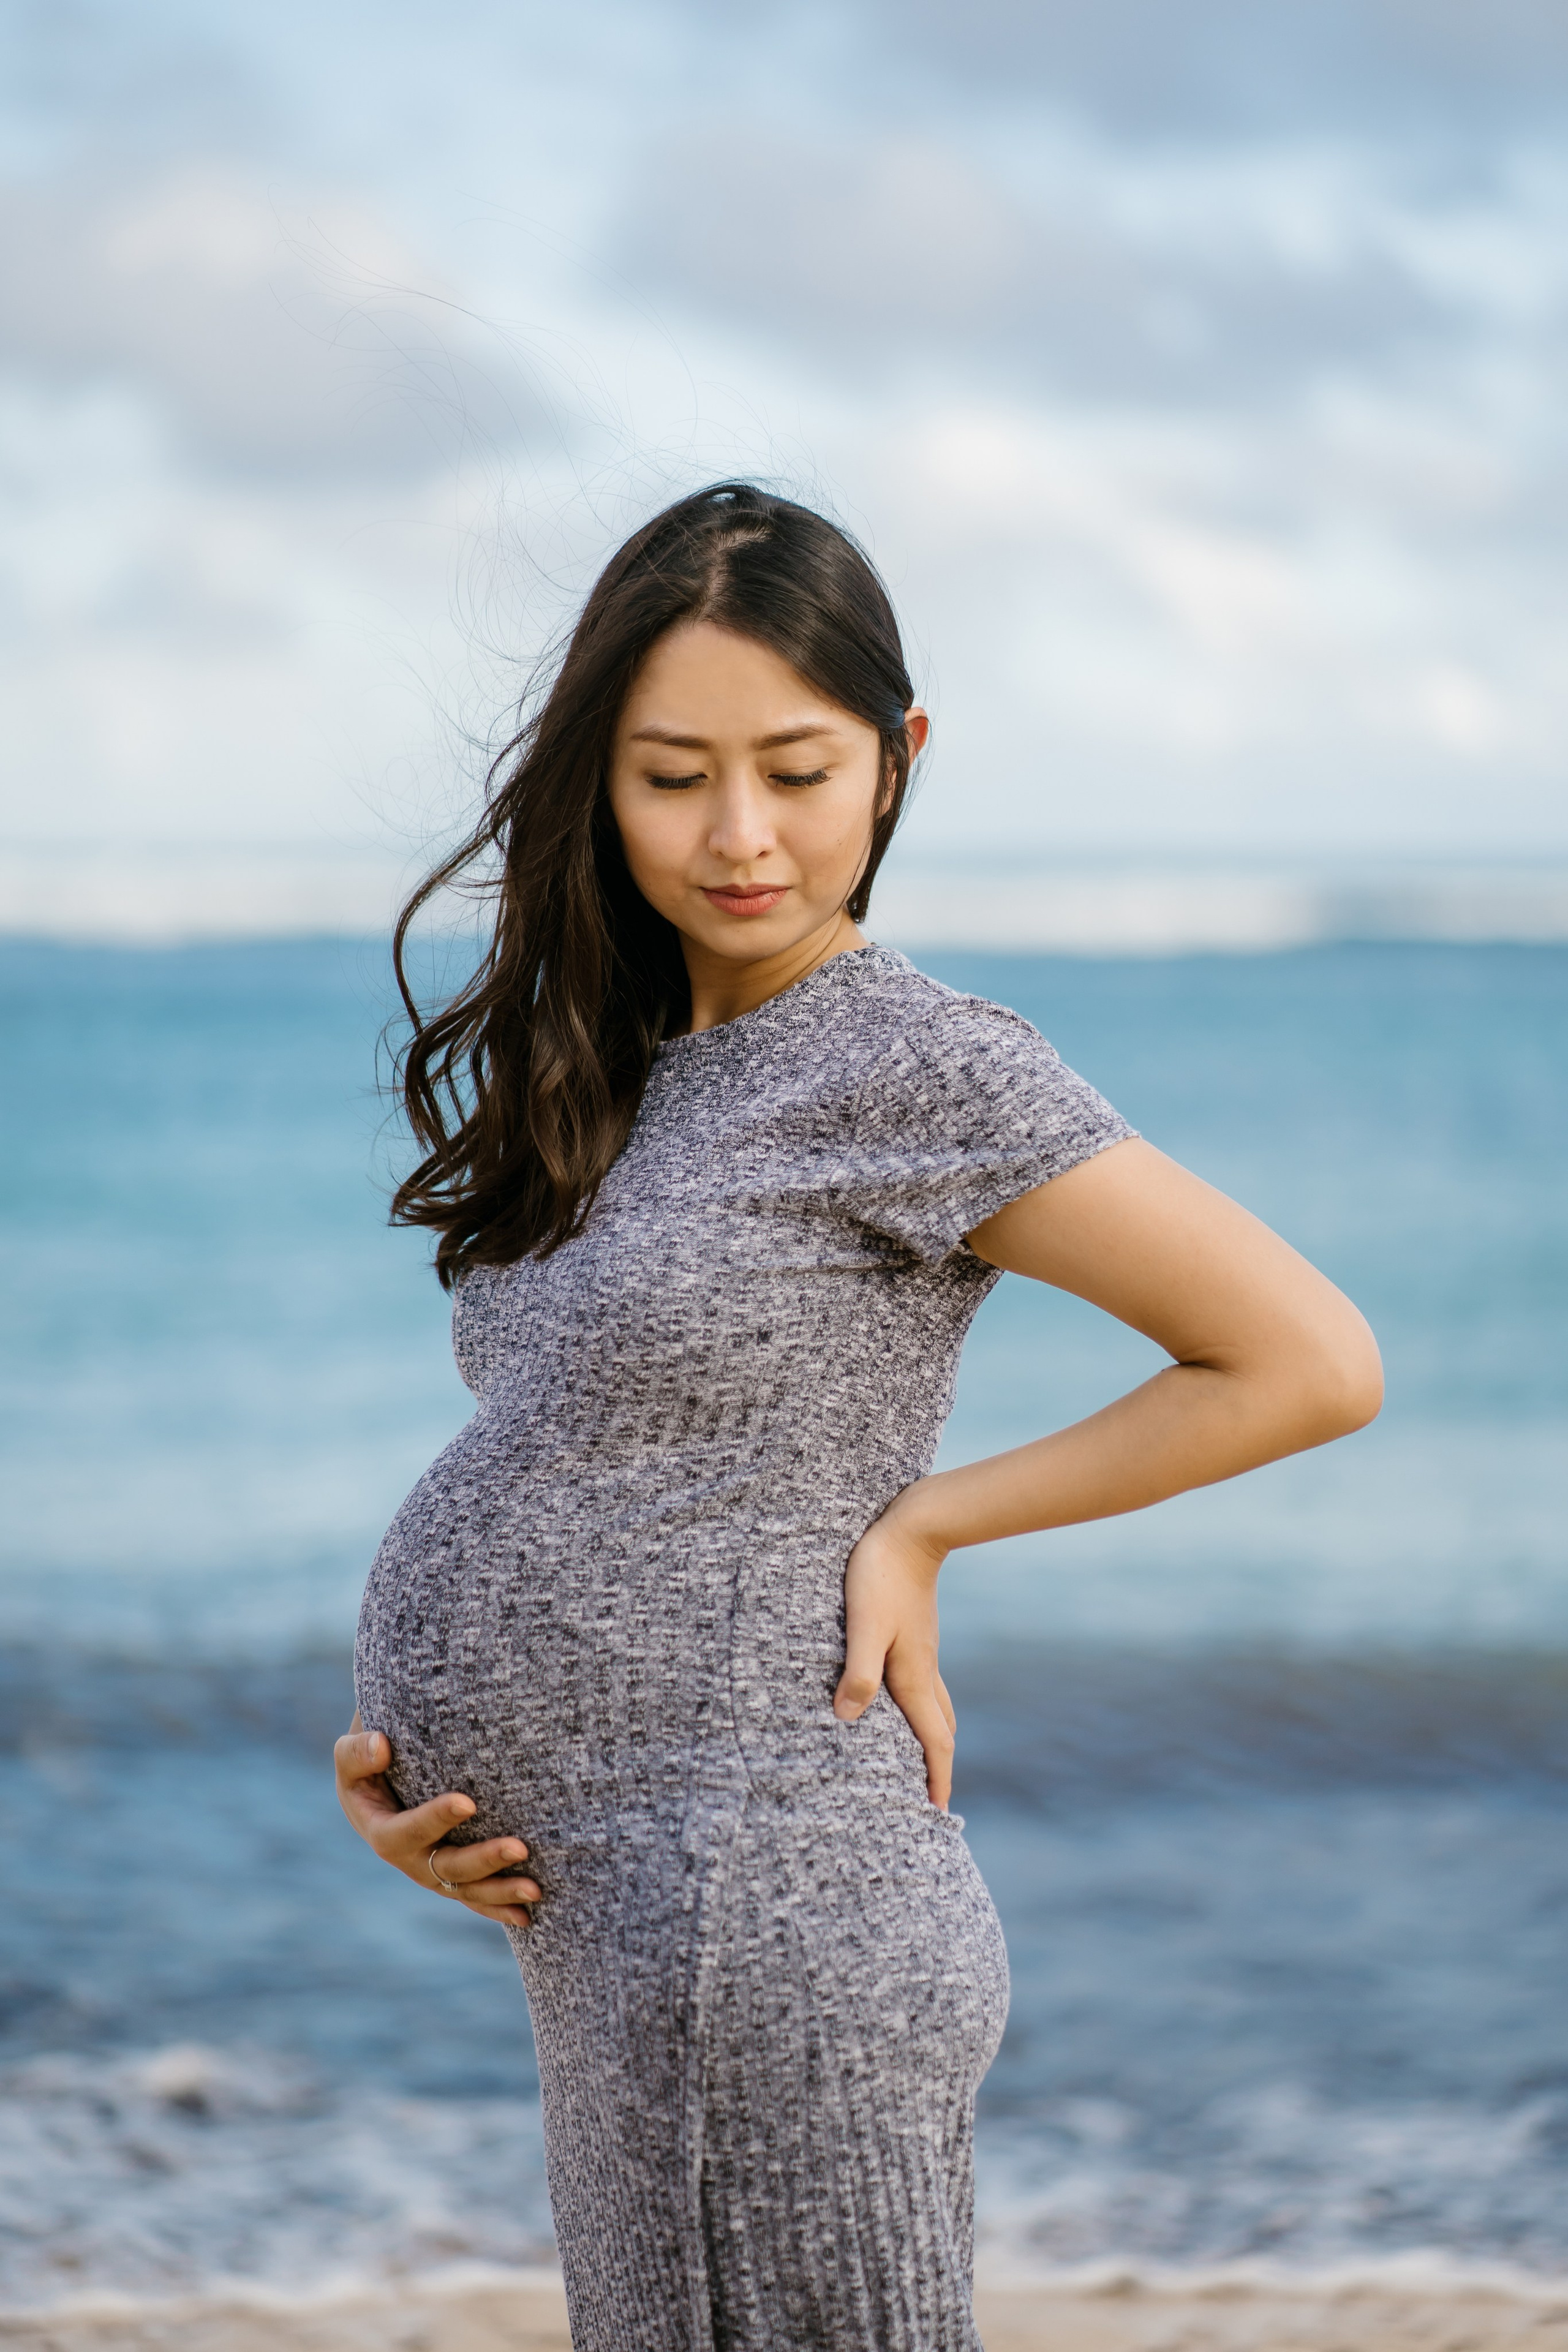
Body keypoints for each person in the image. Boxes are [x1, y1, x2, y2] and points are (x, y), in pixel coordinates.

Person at [335, 482, 1382, 2351]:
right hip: (634, 1940)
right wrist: (436, 1799)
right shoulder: (641, 1074)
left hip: (772, 1926)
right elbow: (633, 1470)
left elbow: (1305, 1359)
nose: (740, 836)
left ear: (896, 764)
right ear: (601, 779)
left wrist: (925, 1523)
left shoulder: (915, 1065)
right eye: (674, 776)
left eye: (797, 771)